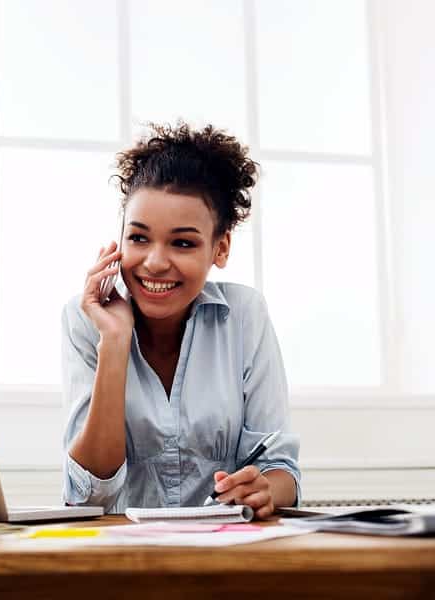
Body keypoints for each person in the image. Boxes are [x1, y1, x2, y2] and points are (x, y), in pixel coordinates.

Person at [61, 122, 300, 518]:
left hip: (224, 553)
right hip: (120, 558)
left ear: (219, 248)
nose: (155, 262)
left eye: (183, 243)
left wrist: (263, 489)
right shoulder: (87, 318)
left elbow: (282, 472)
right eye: (138, 238)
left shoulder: (244, 315)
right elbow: (90, 497)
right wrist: (115, 343)